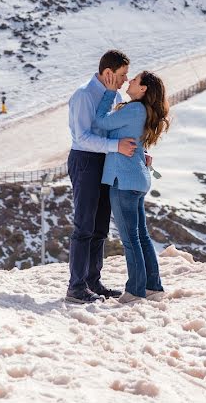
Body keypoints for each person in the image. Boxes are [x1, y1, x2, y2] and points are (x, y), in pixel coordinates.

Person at [65, 50, 136, 304]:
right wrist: (116, 146)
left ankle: (93, 282)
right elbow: (82, 137)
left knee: (100, 227)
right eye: (122, 75)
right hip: (85, 162)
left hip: (106, 162)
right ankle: (76, 287)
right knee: (84, 226)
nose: (126, 80)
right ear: (108, 73)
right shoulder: (84, 95)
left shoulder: (114, 94)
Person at [93, 71, 170, 304]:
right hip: (135, 178)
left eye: (134, 80)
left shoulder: (134, 109)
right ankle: (152, 287)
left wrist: (108, 93)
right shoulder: (140, 110)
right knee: (141, 236)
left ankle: (135, 290)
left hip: (124, 180)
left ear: (144, 88)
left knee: (130, 239)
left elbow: (101, 122)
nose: (129, 81)